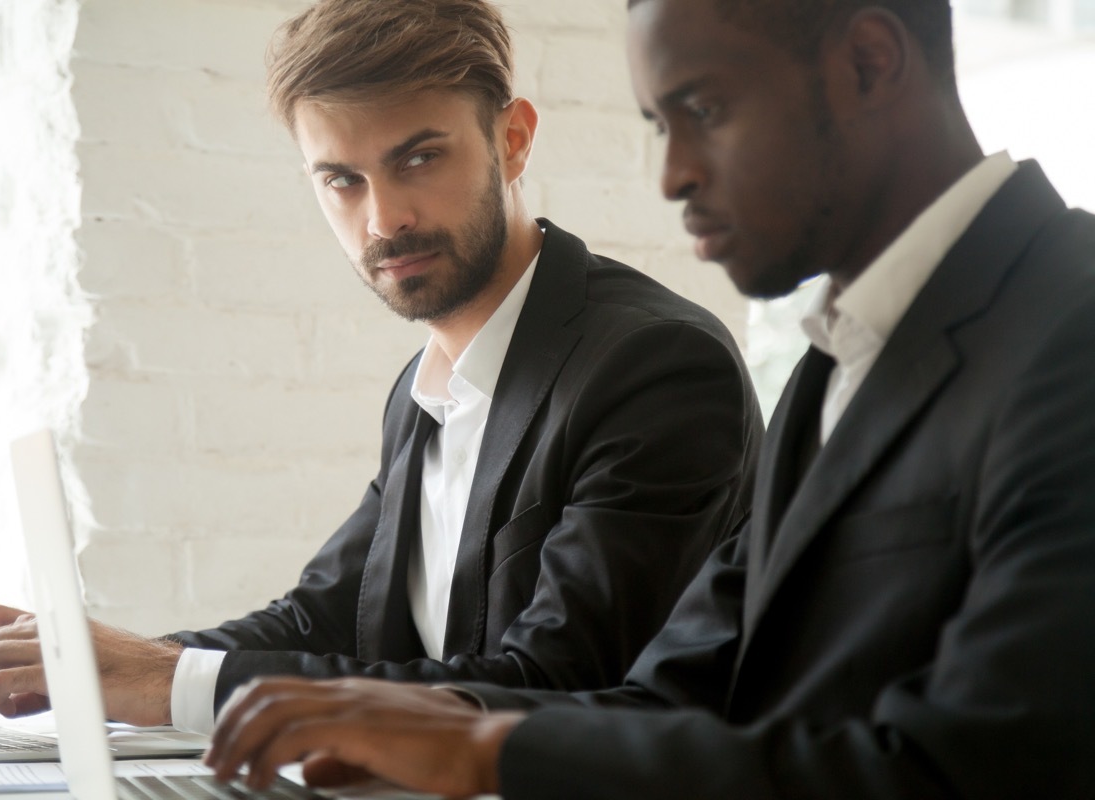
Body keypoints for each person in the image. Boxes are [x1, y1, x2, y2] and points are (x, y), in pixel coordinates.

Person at [198, 0, 1095, 797]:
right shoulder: (837, 366)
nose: (671, 176)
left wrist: (491, 753)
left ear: (868, 63)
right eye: (659, 125)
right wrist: (446, 732)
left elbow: (986, 765)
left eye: (703, 110)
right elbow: (671, 694)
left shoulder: (1071, 327)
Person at [0, 0, 763, 736]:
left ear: (511, 141)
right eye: (342, 180)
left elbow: (558, 686)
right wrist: (108, 661)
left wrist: (171, 682)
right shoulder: (423, 390)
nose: (384, 220)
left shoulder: (655, 368)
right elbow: (320, 622)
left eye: (419, 159)